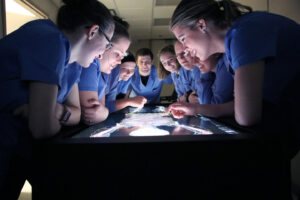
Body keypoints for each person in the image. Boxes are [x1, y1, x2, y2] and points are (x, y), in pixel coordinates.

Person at [0, 0, 114, 198]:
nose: (103, 53)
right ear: (93, 31)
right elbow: (42, 128)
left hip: (19, 149)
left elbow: (75, 115)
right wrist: (52, 114)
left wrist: (54, 111)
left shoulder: (74, 63)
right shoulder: (50, 40)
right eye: (108, 43)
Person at [169, 0, 300, 156]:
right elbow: (247, 105)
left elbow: (247, 116)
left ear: (202, 25)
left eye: (183, 39)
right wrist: (195, 109)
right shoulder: (233, 45)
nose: (185, 49)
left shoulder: (243, 33)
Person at [79, 19, 131, 125]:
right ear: (104, 45)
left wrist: (104, 112)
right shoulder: (90, 64)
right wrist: (104, 113)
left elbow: (103, 109)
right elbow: (90, 117)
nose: (120, 61)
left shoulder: (104, 73)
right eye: (117, 54)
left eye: (122, 56)